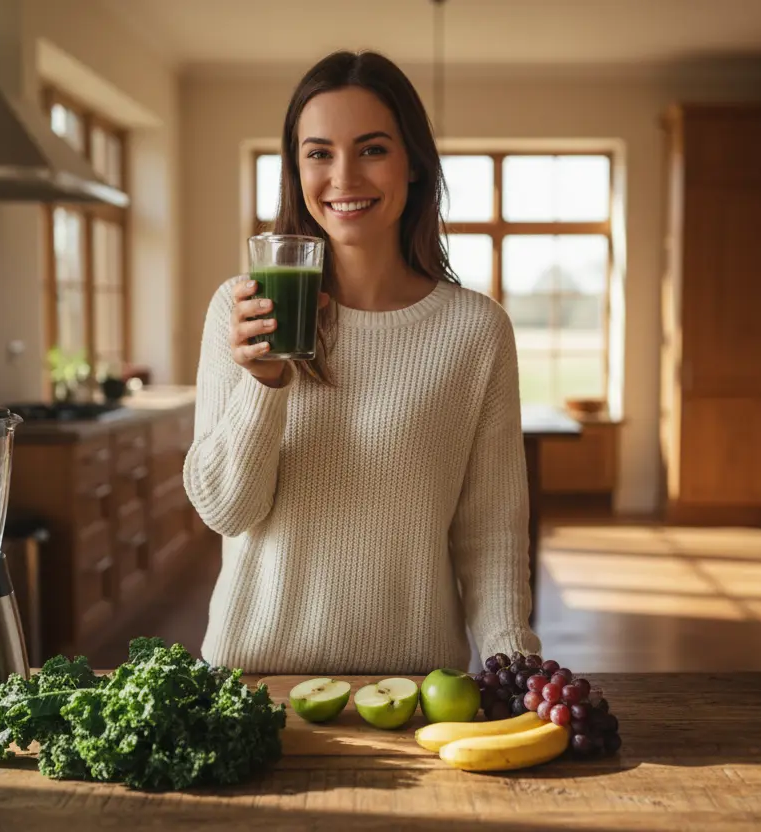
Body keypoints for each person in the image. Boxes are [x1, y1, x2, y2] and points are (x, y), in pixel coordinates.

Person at [184, 49, 540, 675]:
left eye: (372, 149)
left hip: (417, 688)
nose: (343, 177)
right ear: (296, 170)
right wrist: (264, 383)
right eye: (319, 153)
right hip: (252, 684)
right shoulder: (241, 311)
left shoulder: (477, 331)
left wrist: (517, 675)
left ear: (414, 164)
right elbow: (225, 511)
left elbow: (491, 537)